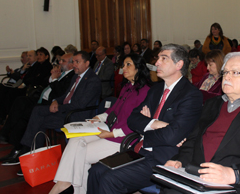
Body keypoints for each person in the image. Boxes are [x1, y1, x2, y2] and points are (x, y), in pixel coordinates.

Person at [87, 44, 203, 194]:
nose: (156, 63)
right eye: (158, 58)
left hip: (162, 158)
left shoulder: (191, 95)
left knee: (110, 179)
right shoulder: (155, 90)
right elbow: (132, 119)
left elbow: (172, 136)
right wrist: (155, 124)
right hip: (139, 151)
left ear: (179, 64)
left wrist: (145, 129)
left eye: (164, 58)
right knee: (96, 171)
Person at [164, 52, 240, 194]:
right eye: (226, 72)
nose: (227, 77)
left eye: (234, 72)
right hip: (195, 177)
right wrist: (179, 160)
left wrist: (233, 174)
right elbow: (193, 141)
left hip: (231, 186)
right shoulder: (212, 104)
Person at [49, 54, 152, 194]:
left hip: (122, 139)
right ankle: (64, 183)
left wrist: (110, 133)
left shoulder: (145, 92)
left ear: (139, 68)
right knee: (75, 140)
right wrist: (98, 117)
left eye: (128, 64)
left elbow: (136, 124)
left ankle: (72, 188)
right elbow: (112, 110)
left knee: (80, 155)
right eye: (123, 65)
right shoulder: (127, 87)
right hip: (109, 130)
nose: (123, 68)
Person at [0, 51, 102, 167]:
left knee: (38, 118)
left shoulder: (93, 80)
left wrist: (59, 107)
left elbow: (80, 105)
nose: (74, 65)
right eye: (73, 62)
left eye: (77, 62)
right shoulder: (76, 76)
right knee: (37, 112)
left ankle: (27, 152)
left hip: (76, 116)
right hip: (67, 111)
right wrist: (55, 101)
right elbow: (65, 95)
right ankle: (30, 153)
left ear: (87, 63)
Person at [0, 54, 75, 148]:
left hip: (50, 103)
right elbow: (43, 82)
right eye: (60, 60)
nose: (60, 62)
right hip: (42, 98)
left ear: (71, 64)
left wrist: (54, 80)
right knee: (20, 101)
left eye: (63, 61)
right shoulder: (61, 72)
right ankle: (7, 135)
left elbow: (60, 93)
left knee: (24, 114)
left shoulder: (71, 76)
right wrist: (52, 75)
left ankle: (15, 143)